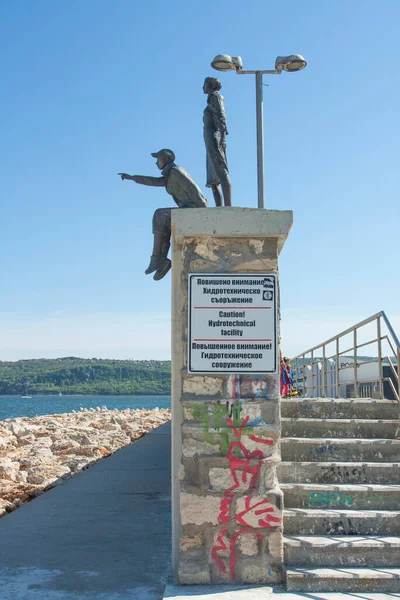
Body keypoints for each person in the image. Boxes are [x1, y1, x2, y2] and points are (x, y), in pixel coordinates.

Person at [119, 149, 208, 281]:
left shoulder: (176, 172)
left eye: (158, 159)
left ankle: (156, 259)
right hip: (189, 209)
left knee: (160, 214)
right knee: (164, 220)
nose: (156, 163)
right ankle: (162, 261)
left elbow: (192, 189)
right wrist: (132, 178)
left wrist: (201, 212)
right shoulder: (169, 175)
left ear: (166, 159)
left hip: (194, 209)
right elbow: (153, 181)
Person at [203, 77, 232, 207]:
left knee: (222, 171)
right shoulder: (210, 98)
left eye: (204, 85)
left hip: (215, 138)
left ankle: (228, 207)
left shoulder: (216, 97)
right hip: (209, 139)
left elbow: (221, 116)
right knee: (213, 180)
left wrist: (221, 137)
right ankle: (219, 208)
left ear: (209, 86)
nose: (202, 87)